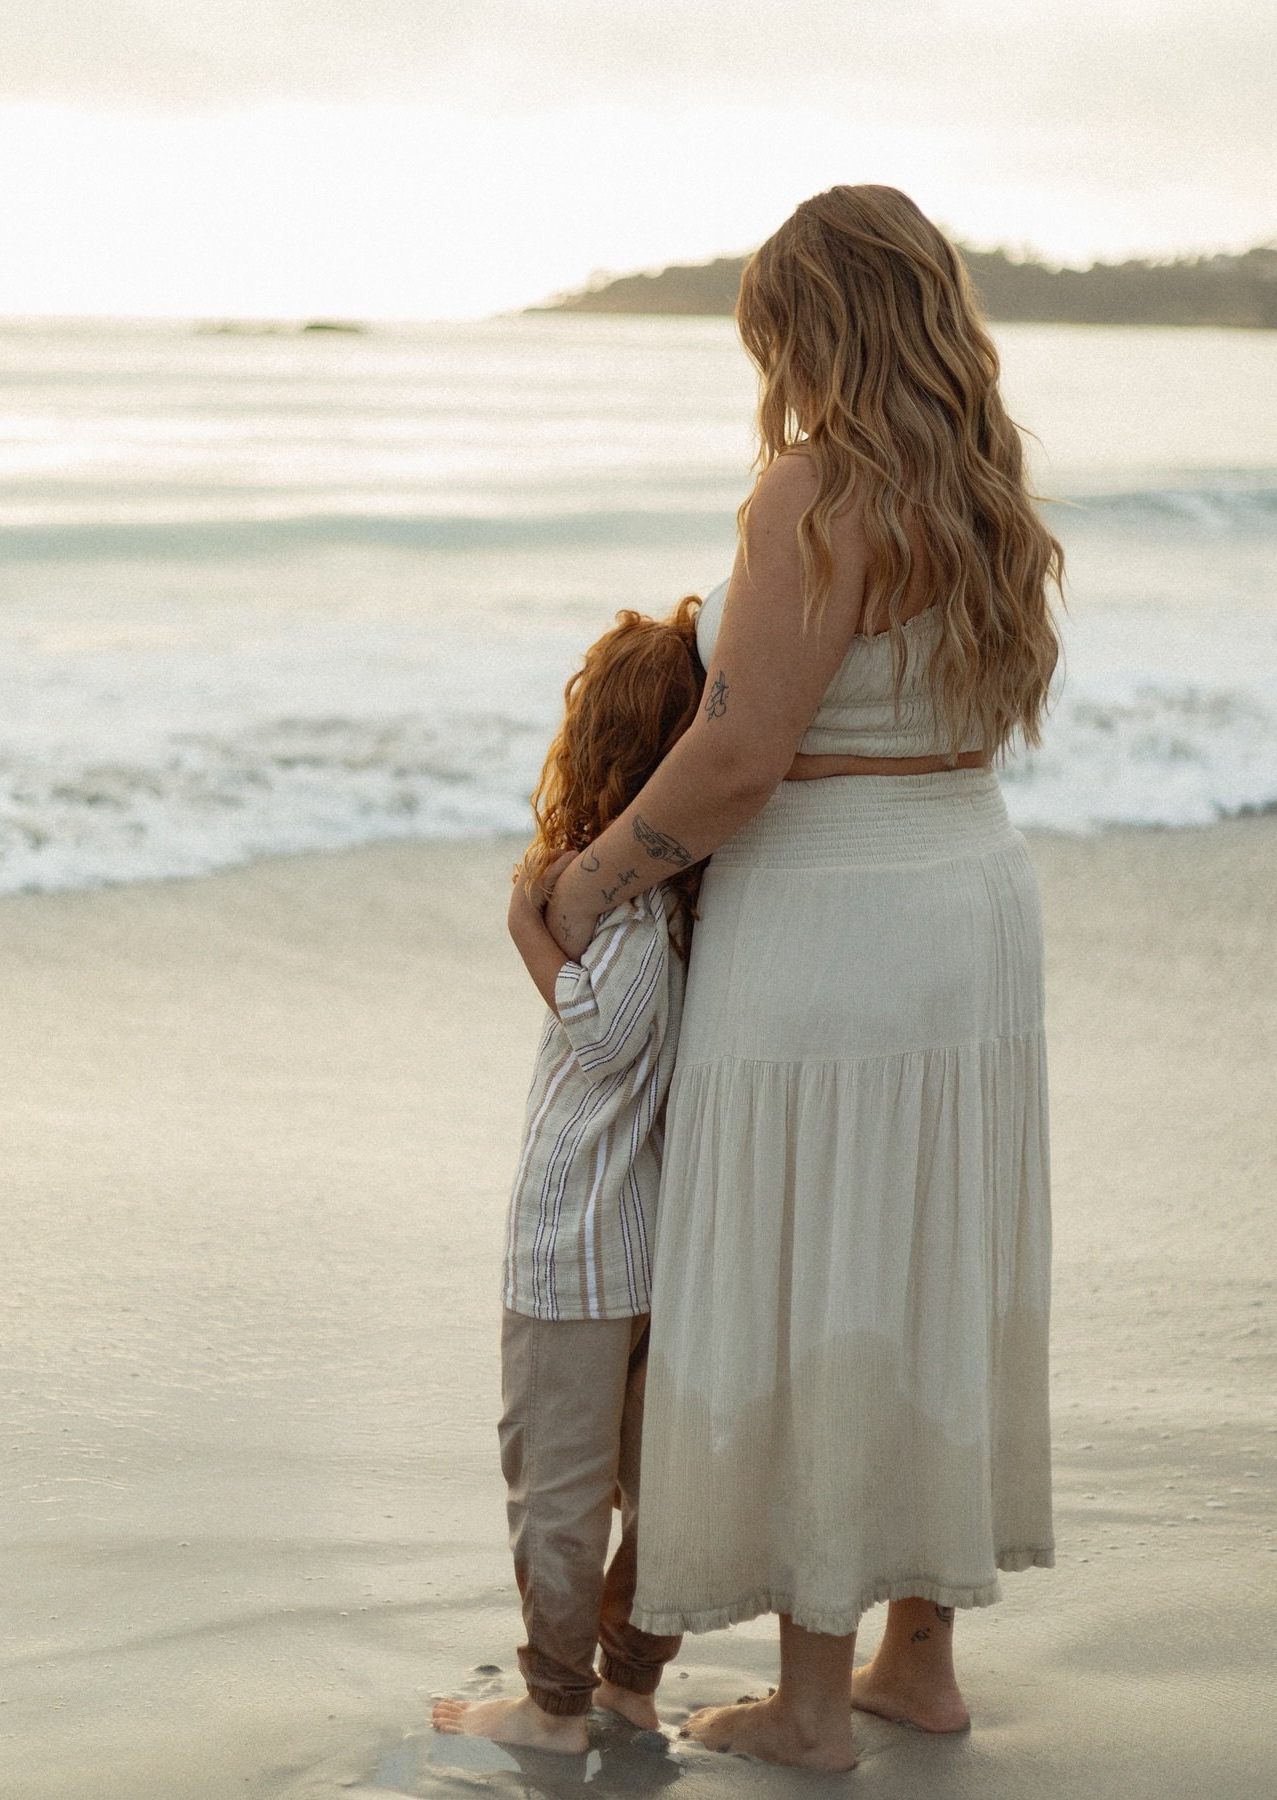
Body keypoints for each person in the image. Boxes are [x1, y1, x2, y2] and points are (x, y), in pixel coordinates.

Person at [543, 184, 1063, 1773]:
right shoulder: (986, 494)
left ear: (812, 325)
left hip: (832, 920)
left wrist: (591, 874)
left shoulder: (811, 495)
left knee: (821, 1276)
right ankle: (920, 1661)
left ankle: (816, 1705)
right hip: (970, 898)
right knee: (928, 1261)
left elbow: (740, 750)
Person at [431, 599, 708, 1753]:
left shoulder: (635, 915)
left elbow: (601, 1035)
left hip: (577, 1247)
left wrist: (525, 930)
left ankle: (556, 1710)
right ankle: (630, 1681)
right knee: (649, 1483)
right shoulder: (689, 907)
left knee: (555, 1485)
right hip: (639, 1243)